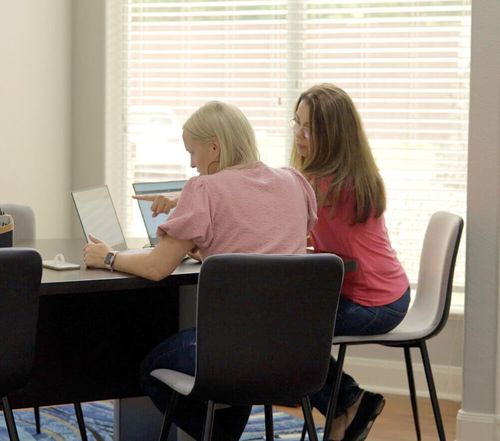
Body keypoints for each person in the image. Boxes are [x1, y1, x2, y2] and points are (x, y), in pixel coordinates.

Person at [83, 100, 318, 440]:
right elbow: (270, 242)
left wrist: (107, 257)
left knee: (148, 368)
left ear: (214, 146)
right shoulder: (295, 182)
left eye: (192, 152)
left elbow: (156, 266)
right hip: (293, 350)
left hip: (228, 350)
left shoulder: (205, 188)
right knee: (238, 375)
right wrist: (208, 247)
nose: (192, 164)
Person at [290, 84, 410, 441]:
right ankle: (348, 403)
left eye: (309, 127)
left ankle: (348, 401)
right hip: (385, 292)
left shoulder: (329, 186)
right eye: (296, 122)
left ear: (333, 135)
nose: (299, 134)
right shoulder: (350, 176)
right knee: (285, 329)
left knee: (281, 335)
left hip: (374, 302)